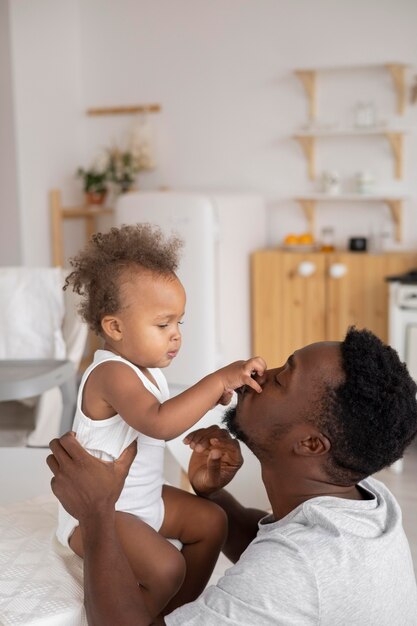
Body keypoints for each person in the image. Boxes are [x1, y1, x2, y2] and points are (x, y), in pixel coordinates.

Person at [48, 327, 417, 625]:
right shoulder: (366, 498)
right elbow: (277, 543)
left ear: (310, 444)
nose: (260, 375)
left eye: (280, 380)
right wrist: (214, 497)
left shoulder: (297, 570)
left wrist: (96, 513)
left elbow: (288, 569)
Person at [55, 223, 266, 618]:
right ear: (114, 327)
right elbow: (158, 422)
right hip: (101, 513)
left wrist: (207, 404)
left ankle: (178, 612)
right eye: (162, 324)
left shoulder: (147, 371)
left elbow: (168, 419)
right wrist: (218, 379)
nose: (175, 336)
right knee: (168, 566)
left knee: (211, 522)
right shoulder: (110, 373)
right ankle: (148, 617)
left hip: (142, 499)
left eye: (179, 323)